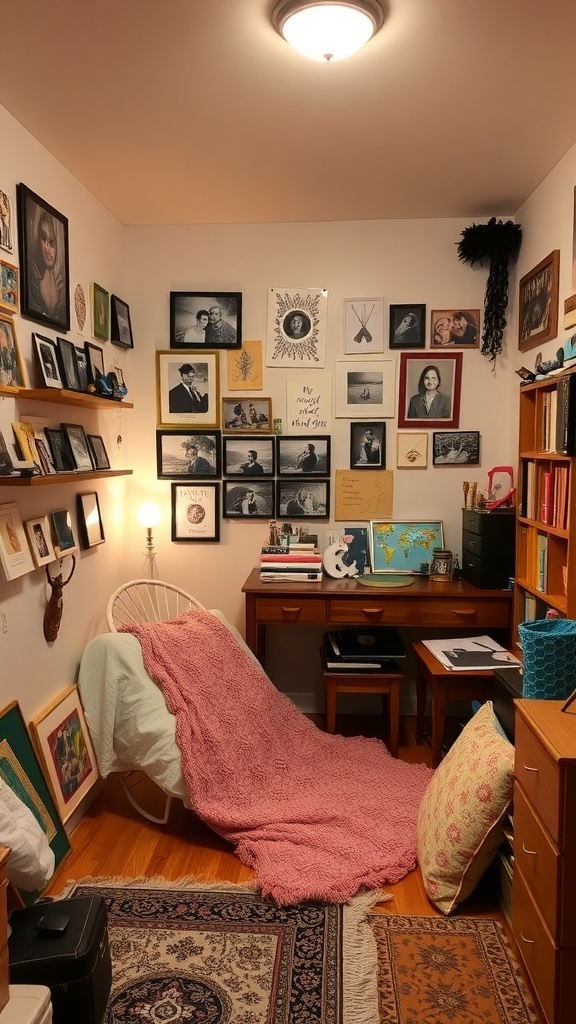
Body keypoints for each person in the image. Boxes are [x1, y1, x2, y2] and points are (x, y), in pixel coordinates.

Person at [29, 209, 66, 323]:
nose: (46, 248)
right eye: (43, 239)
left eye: (51, 243)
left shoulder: (61, 286)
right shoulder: (32, 279)